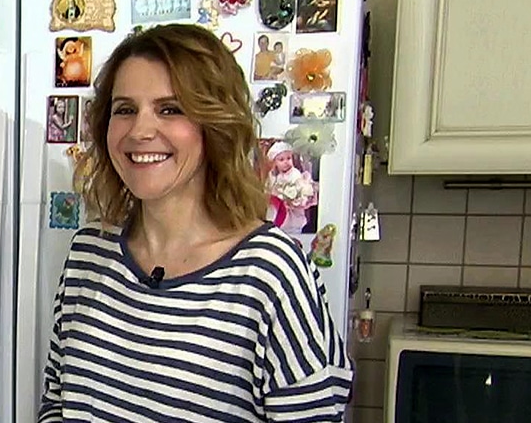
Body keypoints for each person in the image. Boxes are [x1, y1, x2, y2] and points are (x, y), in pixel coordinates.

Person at [37, 23, 353, 423]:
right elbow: (57, 401)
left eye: (170, 109)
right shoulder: (88, 252)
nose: (140, 130)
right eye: (125, 109)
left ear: (214, 125)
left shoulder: (269, 273)